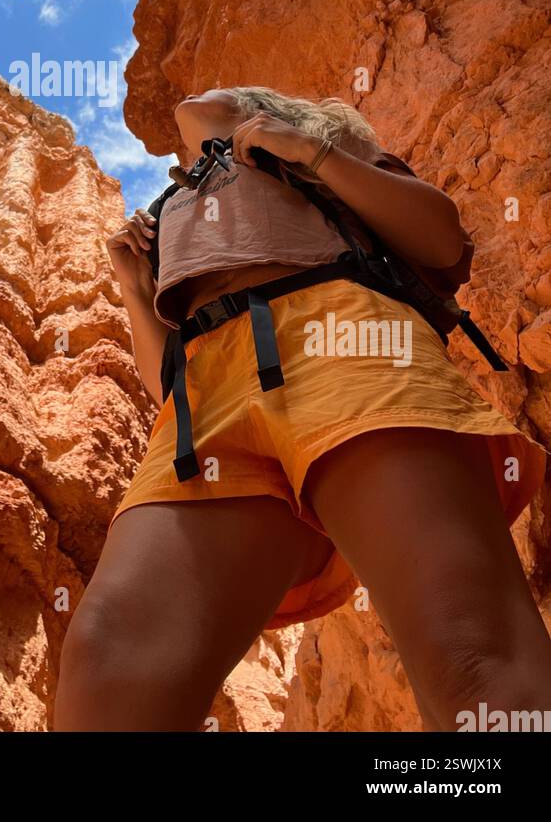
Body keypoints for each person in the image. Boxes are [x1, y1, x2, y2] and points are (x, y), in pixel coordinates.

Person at [53, 86, 551, 732]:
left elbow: (441, 240)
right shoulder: (176, 201)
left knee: (470, 662)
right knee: (108, 660)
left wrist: (306, 151)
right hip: (204, 399)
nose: (205, 94)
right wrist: (134, 288)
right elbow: (166, 386)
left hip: (346, 340)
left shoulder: (322, 142)